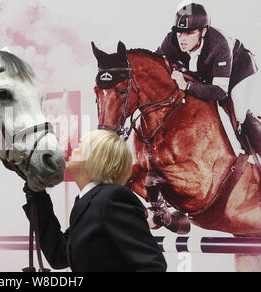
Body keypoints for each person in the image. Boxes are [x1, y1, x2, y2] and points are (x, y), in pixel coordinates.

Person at [22, 130, 167, 272]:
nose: (73, 150)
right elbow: (59, 255)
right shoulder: (89, 202)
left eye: (80, 147)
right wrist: (38, 197)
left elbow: (152, 265)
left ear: (94, 158)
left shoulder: (112, 198)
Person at [156, 3, 260, 156]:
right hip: (210, 74)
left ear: (203, 31)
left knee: (239, 110)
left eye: (189, 33)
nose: (182, 39)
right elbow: (154, 64)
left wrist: (187, 86)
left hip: (240, 70)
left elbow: (220, 93)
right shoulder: (171, 40)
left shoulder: (220, 44)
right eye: (179, 33)